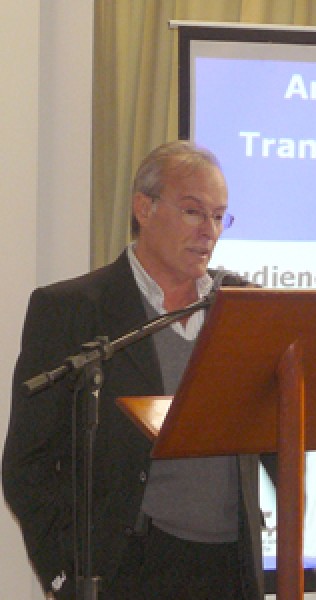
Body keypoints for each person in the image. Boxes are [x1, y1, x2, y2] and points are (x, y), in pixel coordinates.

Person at [2, 140, 275, 599]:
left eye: (218, 217)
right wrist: (65, 575)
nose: (209, 231)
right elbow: (27, 465)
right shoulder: (71, 310)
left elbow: (274, 431)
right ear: (144, 209)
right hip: (130, 568)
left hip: (231, 569)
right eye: (193, 212)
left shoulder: (243, 307)